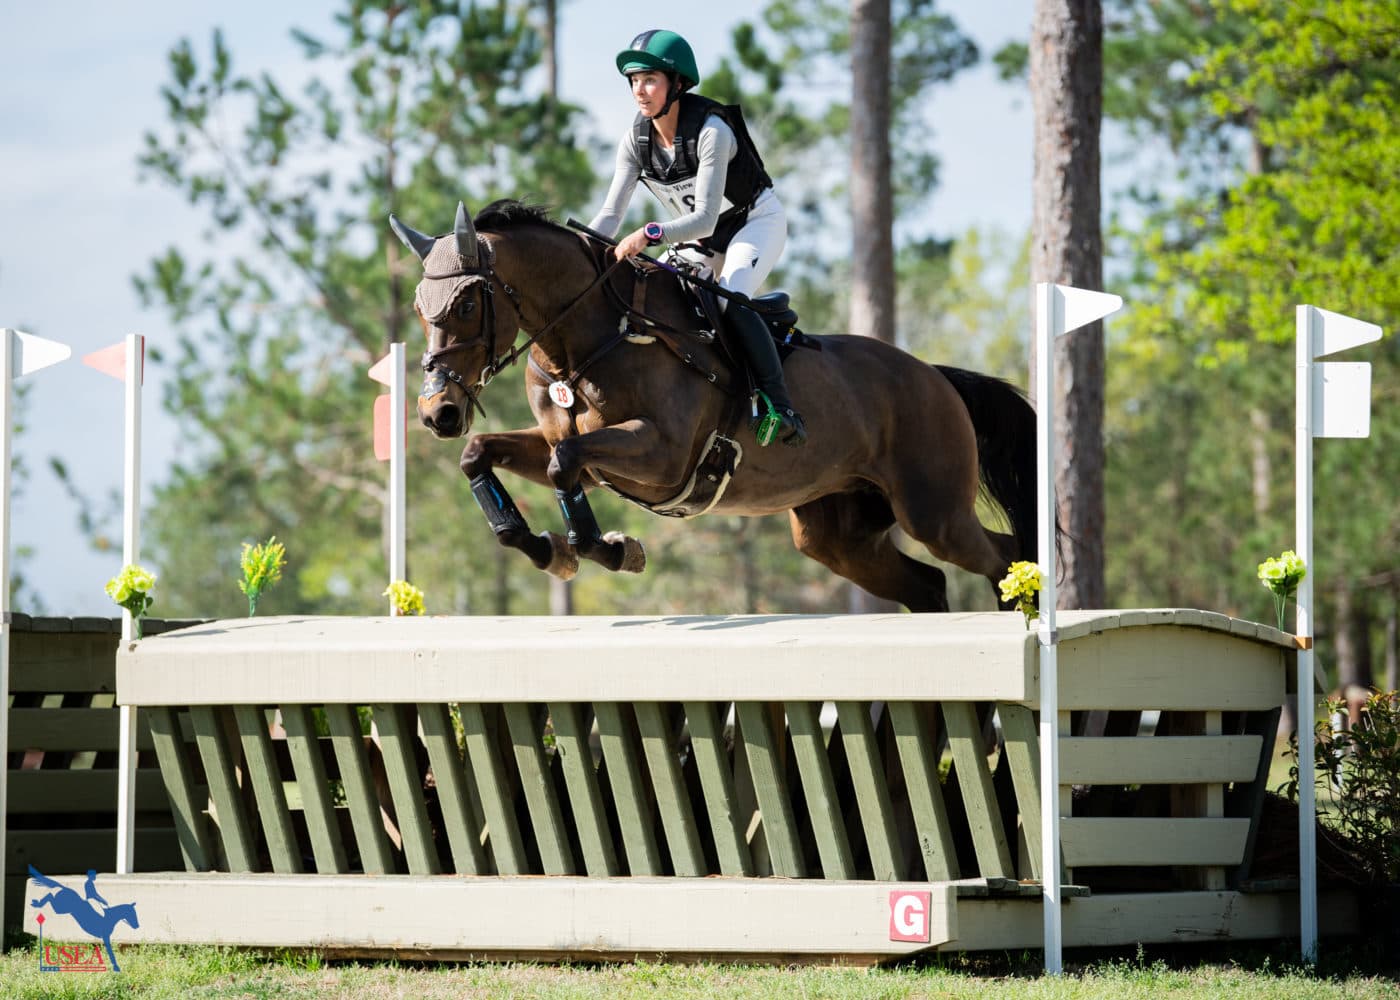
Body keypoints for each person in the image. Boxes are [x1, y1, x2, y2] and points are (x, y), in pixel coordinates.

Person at [588, 29, 807, 447]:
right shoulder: (634, 142)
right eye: (634, 81)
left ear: (678, 84)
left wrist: (650, 233)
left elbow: (705, 219)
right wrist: (580, 252)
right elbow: (611, 215)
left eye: (650, 79)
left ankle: (782, 406)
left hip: (752, 223)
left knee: (727, 297)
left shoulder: (711, 132)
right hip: (701, 239)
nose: (640, 90)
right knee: (659, 296)